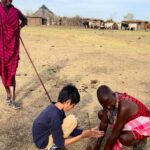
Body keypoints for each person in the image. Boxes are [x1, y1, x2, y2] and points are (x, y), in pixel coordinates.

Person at [32, 84, 104, 150]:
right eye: (73, 105)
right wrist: (82, 136)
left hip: (43, 136)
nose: (72, 108)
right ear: (68, 102)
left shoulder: (56, 107)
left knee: (72, 121)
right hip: (43, 143)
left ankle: (53, 144)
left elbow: (69, 129)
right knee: (72, 120)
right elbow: (60, 144)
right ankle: (51, 148)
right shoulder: (55, 115)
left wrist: (84, 132)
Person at [88, 85, 150, 150]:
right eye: (105, 106)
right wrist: (97, 146)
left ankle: (140, 140)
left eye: (110, 103)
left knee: (124, 138)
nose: (108, 107)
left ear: (113, 95)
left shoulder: (124, 106)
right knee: (101, 114)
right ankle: (126, 130)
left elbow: (114, 135)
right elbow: (104, 123)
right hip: (127, 118)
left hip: (143, 121)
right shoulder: (108, 100)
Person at [0, 0, 27, 109]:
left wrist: (19, 28)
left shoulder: (15, 11)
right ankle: (8, 95)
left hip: (12, 47)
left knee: (11, 73)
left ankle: (12, 100)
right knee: (3, 72)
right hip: (1, 47)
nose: (10, 1)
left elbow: (25, 20)